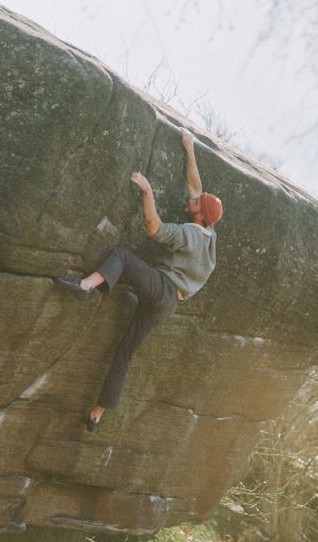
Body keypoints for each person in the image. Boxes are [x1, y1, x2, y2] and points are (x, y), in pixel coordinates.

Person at [56, 128, 223, 430]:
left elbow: (154, 228)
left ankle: (85, 286)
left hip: (161, 288)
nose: (191, 201)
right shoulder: (210, 236)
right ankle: (98, 413)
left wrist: (147, 192)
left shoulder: (187, 234)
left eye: (196, 205)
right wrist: (190, 149)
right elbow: (196, 188)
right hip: (170, 305)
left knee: (120, 256)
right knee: (125, 352)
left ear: (199, 216)